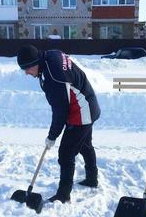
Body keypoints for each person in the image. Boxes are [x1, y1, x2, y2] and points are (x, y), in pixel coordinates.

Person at [17, 45, 101, 203]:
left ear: (36, 62)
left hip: (82, 112)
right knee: (85, 145)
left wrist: (52, 136)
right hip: (88, 103)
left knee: (66, 154)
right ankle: (91, 179)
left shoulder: (53, 78)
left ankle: (63, 195)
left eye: (27, 68)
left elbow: (60, 112)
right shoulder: (51, 55)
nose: (27, 73)